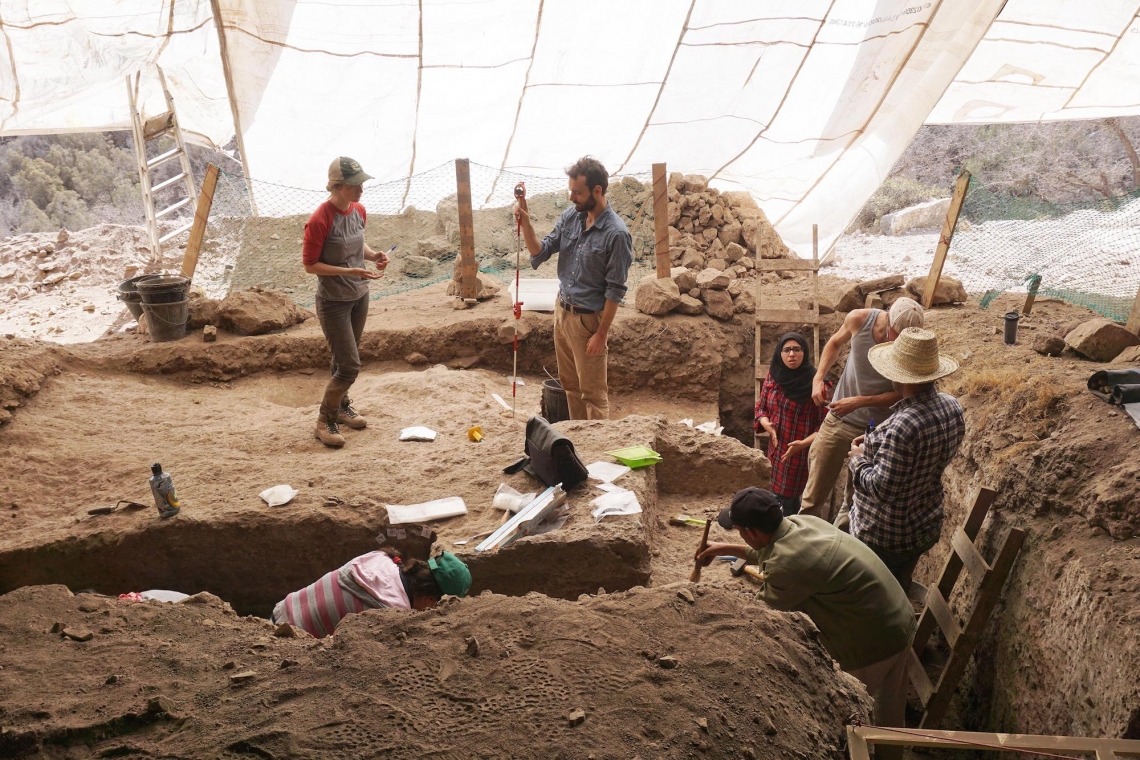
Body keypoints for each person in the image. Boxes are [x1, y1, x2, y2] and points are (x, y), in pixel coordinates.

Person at [696, 488, 914, 760]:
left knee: (848, 713)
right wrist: (725, 548)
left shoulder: (788, 565)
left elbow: (761, 615)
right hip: (899, 618)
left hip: (871, 639)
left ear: (750, 532)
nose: (739, 536)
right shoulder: (803, 523)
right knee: (890, 712)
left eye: (738, 531)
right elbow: (773, 550)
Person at [514, 157, 633, 420]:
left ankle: (597, 451)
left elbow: (615, 291)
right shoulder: (571, 217)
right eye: (570, 190)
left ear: (597, 191)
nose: (571, 197)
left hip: (589, 322)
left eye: (577, 192)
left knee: (593, 394)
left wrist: (601, 334)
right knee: (570, 387)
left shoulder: (617, 234)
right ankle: (578, 445)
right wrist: (527, 223)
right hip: (563, 312)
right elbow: (540, 251)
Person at [847, 327, 965, 592]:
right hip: (924, 522)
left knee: (872, 594)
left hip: (885, 534)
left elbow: (881, 490)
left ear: (899, 378)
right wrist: (876, 443)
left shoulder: (904, 424)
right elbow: (922, 457)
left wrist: (857, 460)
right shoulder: (951, 405)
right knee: (900, 586)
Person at [799, 298, 925, 521]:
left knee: (855, 504)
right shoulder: (859, 319)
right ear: (887, 319)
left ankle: (842, 549)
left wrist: (859, 401)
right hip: (839, 420)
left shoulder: (913, 345)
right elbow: (835, 343)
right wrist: (818, 378)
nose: (899, 341)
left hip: (877, 430)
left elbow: (904, 393)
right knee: (812, 497)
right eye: (896, 333)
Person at [302, 157, 391, 448]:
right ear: (337, 187)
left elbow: (356, 244)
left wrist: (374, 255)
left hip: (359, 294)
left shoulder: (358, 211)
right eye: (354, 184)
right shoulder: (320, 219)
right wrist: (349, 270)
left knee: (342, 359)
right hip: (333, 301)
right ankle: (323, 420)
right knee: (350, 366)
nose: (361, 189)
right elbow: (311, 265)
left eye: (362, 182)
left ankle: (341, 407)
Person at [272, 547, 471, 638]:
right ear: (429, 598)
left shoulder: (380, 558)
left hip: (279, 611)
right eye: (436, 606)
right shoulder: (393, 612)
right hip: (287, 640)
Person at [754, 333, 832, 516]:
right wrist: (766, 424)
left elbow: (826, 426)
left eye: (797, 349)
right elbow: (761, 407)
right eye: (787, 350)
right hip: (777, 455)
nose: (791, 354)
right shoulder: (774, 376)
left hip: (804, 459)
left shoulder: (818, 385)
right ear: (779, 353)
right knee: (779, 502)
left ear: (804, 353)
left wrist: (802, 444)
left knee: (798, 507)